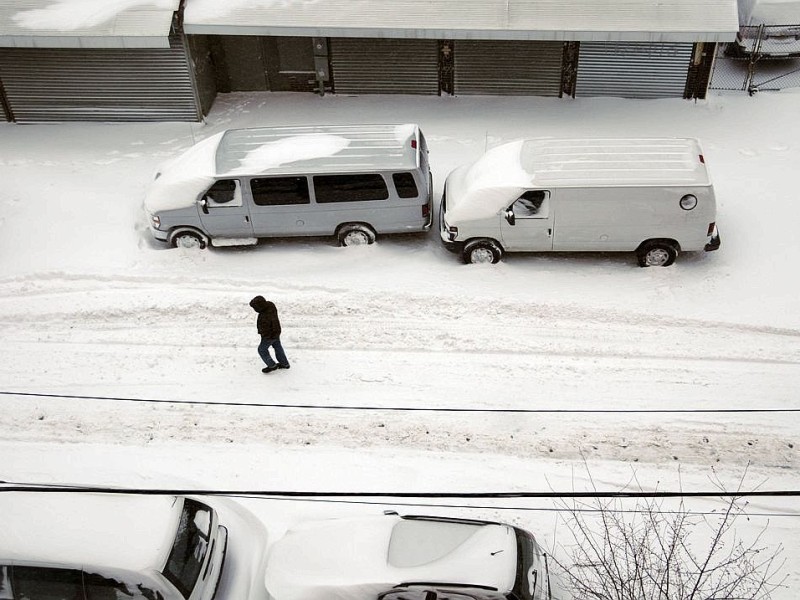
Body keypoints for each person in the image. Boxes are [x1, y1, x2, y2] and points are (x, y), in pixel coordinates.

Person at [249, 296, 290, 373]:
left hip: (269, 335)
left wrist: (264, 335)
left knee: (262, 349)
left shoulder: (265, 316)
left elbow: (266, 329)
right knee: (277, 346)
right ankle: (284, 363)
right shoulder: (270, 305)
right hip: (276, 331)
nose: (255, 310)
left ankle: (272, 365)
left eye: (255, 308)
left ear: (259, 307)